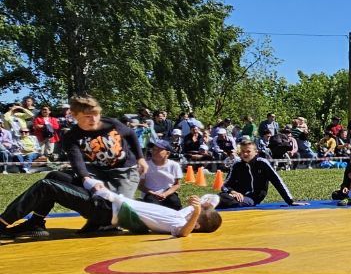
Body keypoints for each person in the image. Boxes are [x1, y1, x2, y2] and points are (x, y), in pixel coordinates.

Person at [0, 171, 222, 241]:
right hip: (109, 202)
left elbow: (184, 234)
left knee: (47, 186)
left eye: (199, 214)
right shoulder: (183, 214)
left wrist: (195, 213)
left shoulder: (179, 222)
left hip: (107, 210)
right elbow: (212, 198)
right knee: (55, 175)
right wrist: (200, 206)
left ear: (198, 224)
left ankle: (2, 223)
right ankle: (36, 223)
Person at [62, 95, 147, 204]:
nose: (94, 119)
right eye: (87, 116)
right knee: (99, 203)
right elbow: (76, 160)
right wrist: (85, 178)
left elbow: (130, 134)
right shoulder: (72, 136)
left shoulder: (111, 123)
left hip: (125, 170)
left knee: (121, 204)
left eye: (96, 114)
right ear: (74, 115)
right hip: (99, 171)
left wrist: (140, 158)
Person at [218, 141, 307, 208]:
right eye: (243, 151)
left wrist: (290, 201)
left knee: (227, 201)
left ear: (256, 152)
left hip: (252, 198)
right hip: (233, 195)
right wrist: (233, 192)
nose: (245, 154)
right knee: (222, 197)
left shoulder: (262, 163)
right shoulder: (236, 165)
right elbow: (225, 185)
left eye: (248, 151)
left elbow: (277, 181)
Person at [139, 142, 184, 210]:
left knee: (175, 204)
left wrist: (165, 194)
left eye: (159, 150)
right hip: (150, 193)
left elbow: (177, 184)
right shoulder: (145, 165)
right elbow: (141, 185)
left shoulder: (174, 165)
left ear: (167, 153)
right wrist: (153, 193)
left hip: (168, 193)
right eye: (154, 149)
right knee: (154, 207)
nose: (154, 152)